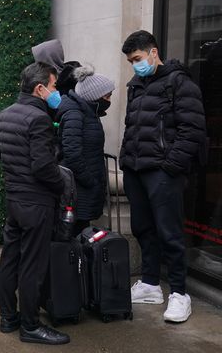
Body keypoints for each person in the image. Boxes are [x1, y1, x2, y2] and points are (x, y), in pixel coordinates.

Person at [120, 30, 206, 323]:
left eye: (138, 58)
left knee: (170, 232)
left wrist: (170, 167)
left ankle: (180, 294)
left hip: (161, 172)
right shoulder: (136, 85)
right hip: (135, 169)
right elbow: (132, 125)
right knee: (143, 229)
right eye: (131, 61)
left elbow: (192, 131)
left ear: (154, 52)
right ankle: (150, 284)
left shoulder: (180, 82)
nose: (135, 65)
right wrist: (126, 161)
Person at [0, 62, 70, 345]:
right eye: (54, 85)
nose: (56, 91)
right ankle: (31, 326)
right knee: (32, 266)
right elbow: (43, 167)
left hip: (14, 199)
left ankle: (8, 318)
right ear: (40, 88)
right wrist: (62, 185)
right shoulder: (39, 119)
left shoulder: (6, 113)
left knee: (10, 259)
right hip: (36, 202)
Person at [56, 65, 115, 236]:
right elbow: (72, 154)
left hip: (85, 188)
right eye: (107, 95)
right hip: (79, 188)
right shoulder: (75, 114)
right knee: (74, 234)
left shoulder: (89, 113)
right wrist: (91, 181)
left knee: (81, 231)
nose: (110, 100)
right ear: (94, 96)